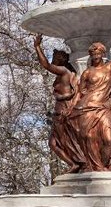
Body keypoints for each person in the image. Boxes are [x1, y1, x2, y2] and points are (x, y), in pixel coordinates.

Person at [68, 24, 111, 172]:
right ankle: (97, 168)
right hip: (86, 109)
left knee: (109, 139)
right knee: (90, 139)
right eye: (93, 54)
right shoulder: (86, 73)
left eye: (98, 54)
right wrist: (72, 107)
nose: (95, 56)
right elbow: (79, 92)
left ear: (103, 54)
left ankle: (102, 166)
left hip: (104, 109)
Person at [34, 34, 85, 172]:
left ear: (61, 59)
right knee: (54, 143)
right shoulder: (64, 74)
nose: (53, 60)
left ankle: (78, 162)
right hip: (60, 111)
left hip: (63, 111)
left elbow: (45, 65)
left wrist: (37, 47)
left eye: (55, 57)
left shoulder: (63, 72)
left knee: (59, 142)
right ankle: (74, 163)